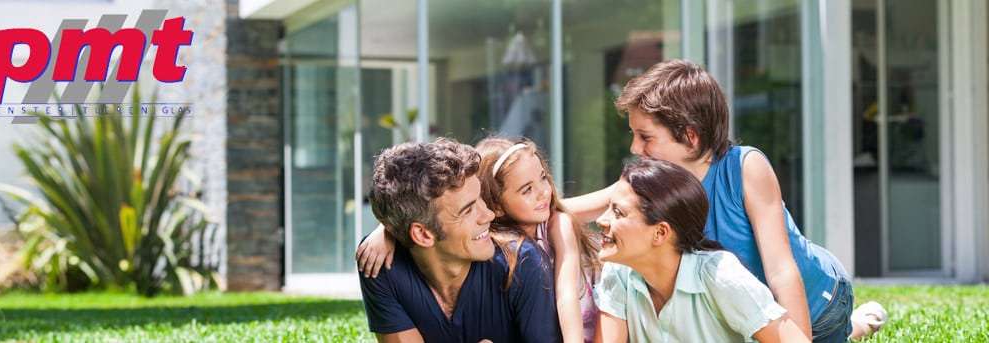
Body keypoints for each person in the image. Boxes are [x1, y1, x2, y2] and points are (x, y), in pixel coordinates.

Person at [565, 59, 886, 342]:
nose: (635, 148)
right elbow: (572, 209)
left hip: (818, 302)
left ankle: (853, 325)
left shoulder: (745, 168)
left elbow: (782, 270)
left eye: (646, 137)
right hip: (746, 311)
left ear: (690, 137)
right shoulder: (653, 183)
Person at [359, 137, 601, 343]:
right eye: (467, 210)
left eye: (481, 199)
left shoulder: (525, 260)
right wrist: (387, 228)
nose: (488, 215)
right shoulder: (379, 262)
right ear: (422, 234)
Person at [595, 158, 809, 342]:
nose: (600, 220)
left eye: (618, 212)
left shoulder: (721, 276)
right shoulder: (618, 272)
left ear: (660, 233)